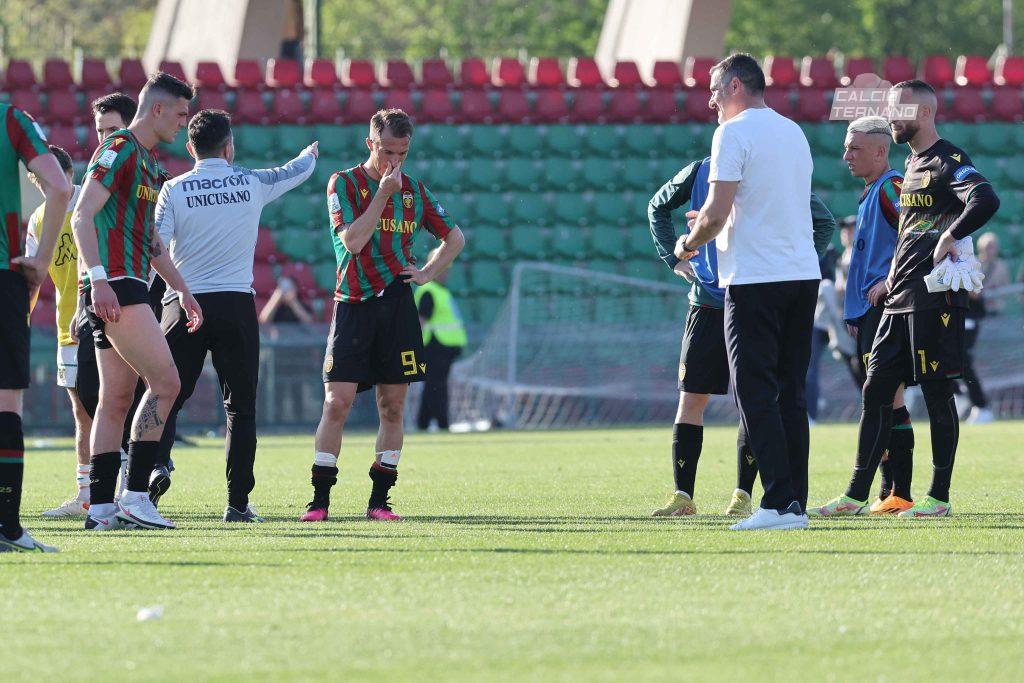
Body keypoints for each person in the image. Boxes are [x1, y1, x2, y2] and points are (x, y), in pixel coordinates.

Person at [814, 80, 1000, 518]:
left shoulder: (948, 160)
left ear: (925, 112)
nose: (892, 117)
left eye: (900, 109)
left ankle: (939, 497)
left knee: (937, 393)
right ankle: (856, 495)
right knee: (875, 387)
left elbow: (985, 198)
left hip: (934, 299)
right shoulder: (912, 164)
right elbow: (910, 232)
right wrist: (892, 276)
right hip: (900, 297)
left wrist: (951, 235)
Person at [675, 53, 821, 531]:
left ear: (736, 86)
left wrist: (688, 243)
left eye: (715, 89)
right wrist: (715, 220)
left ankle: (777, 504)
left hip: (757, 278)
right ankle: (795, 503)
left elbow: (716, 214)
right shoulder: (792, 131)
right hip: (802, 274)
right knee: (791, 394)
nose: (710, 100)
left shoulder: (731, 133)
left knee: (754, 392)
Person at [300, 108, 466, 522]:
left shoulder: (415, 191)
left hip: (396, 305)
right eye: (387, 151)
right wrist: (382, 195)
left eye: (402, 153)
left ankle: (379, 502)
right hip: (353, 303)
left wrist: (426, 273)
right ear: (369, 143)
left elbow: (455, 237)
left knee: (392, 406)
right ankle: (319, 501)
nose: (394, 161)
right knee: (336, 403)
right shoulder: (344, 183)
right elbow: (353, 242)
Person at [648, 155, 835, 518]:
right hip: (708, 303)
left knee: (753, 396)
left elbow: (823, 222)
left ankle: (742, 495)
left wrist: (794, 267)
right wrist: (674, 259)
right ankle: (684, 495)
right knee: (693, 398)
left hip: (752, 301)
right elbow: (657, 206)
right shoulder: (700, 170)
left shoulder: (769, 168)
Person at [154, 109, 317, 521]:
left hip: (182, 303)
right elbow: (294, 172)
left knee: (166, 396)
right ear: (229, 147)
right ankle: (237, 503)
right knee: (240, 408)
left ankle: (150, 475)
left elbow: (155, 247)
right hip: (235, 304)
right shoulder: (250, 182)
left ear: (190, 148)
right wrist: (310, 155)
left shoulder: (173, 189)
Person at [73, 72, 203, 531]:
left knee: (115, 399)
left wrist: (182, 289)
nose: (184, 123)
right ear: (158, 109)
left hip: (122, 283)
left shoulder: (148, 163)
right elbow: (81, 216)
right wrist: (98, 280)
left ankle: (101, 509)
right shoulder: (119, 148)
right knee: (166, 383)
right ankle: (135, 495)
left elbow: (151, 243)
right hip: (116, 286)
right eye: (181, 114)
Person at [810, 116, 917, 516]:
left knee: (877, 397)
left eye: (855, 148)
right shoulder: (872, 191)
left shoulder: (892, 186)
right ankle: (895, 493)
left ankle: (858, 494)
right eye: (845, 147)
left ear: (880, 150)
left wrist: (890, 280)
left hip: (886, 310)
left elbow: (917, 233)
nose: (847, 155)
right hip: (869, 312)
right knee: (889, 399)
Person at [0, 103, 73, 553]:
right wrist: (42, 262)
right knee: (6, 402)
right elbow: (60, 186)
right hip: (3, 275)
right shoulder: (10, 118)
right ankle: (7, 527)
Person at [72, 92, 141, 502]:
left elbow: (153, 243)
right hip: (99, 292)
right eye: (99, 131)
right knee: (99, 395)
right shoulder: (103, 173)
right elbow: (83, 225)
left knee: (150, 388)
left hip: (132, 291)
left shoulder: (144, 169)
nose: (104, 139)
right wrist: (90, 288)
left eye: (112, 129)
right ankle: (104, 496)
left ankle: (138, 480)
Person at [22, 145, 90, 517]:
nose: (49, 188)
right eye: (40, 182)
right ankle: (86, 494)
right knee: (82, 412)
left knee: (118, 405)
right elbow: (32, 280)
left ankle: (130, 490)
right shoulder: (38, 219)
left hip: (112, 321)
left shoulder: (92, 202)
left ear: (69, 174)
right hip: (69, 330)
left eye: (53, 178)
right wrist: (20, 318)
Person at [414, 247, 468, 432]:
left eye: (446, 269)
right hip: (435, 345)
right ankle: (442, 423)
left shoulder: (439, 291)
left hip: (443, 346)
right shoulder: (429, 291)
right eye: (442, 269)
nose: (445, 273)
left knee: (433, 386)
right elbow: (421, 321)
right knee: (437, 387)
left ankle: (423, 423)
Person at [960, 231, 1010, 424]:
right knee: (958, 360)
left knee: (964, 361)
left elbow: (979, 293)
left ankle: (980, 405)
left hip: (981, 319)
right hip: (968, 318)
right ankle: (963, 396)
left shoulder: (998, 267)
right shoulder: (971, 263)